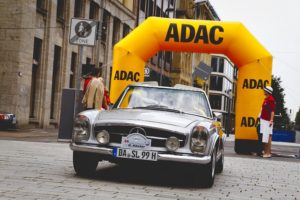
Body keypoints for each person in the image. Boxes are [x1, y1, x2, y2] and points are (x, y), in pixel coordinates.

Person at [259, 86, 276, 158]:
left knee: (267, 136)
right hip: (264, 120)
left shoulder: (271, 100)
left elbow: (272, 111)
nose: (263, 91)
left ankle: (267, 153)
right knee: (266, 136)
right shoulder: (266, 99)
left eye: (264, 90)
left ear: (267, 92)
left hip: (267, 121)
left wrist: (271, 120)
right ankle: (266, 152)